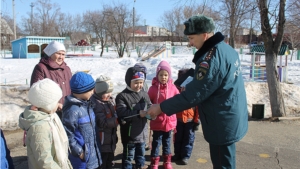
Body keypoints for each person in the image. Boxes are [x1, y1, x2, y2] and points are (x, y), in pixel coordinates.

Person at [146, 15, 248, 168]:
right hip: (231, 114)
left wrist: (160, 107)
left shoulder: (210, 59)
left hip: (220, 121)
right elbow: (216, 82)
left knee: (222, 163)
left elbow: (193, 96)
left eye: (192, 38)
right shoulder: (227, 49)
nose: (190, 43)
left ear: (205, 35)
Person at [19, 78, 72, 169]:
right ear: (48, 105)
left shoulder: (51, 118)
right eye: (56, 102)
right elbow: (45, 161)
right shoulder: (39, 128)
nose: (59, 104)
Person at [62, 72, 102, 169]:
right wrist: (79, 152)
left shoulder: (87, 105)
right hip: (81, 159)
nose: (93, 92)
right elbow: (68, 135)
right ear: (81, 91)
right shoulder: (72, 110)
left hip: (92, 154)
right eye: (90, 90)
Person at [115, 67, 151, 169]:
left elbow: (149, 106)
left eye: (141, 82)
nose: (139, 85)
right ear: (128, 81)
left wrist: (151, 113)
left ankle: (140, 166)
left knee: (141, 155)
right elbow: (122, 113)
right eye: (136, 82)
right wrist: (138, 113)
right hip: (129, 135)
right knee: (128, 157)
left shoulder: (144, 94)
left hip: (142, 134)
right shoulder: (122, 96)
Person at [147, 60, 179, 169]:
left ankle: (167, 161)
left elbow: (178, 100)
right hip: (157, 122)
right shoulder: (153, 89)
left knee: (167, 143)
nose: (163, 77)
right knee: (156, 143)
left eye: (166, 75)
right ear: (157, 75)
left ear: (169, 76)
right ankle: (154, 162)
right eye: (161, 75)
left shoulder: (173, 88)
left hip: (169, 123)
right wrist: (150, 109)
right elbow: (148, 102)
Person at [30, 40, 72, 118]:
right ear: (51, 53)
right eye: (58, 53)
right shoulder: (41, 68)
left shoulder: (67, 69)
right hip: (49, 112)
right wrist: (54, 104)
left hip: (67, 110)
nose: (61, 57)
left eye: (63, 54)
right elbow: (36, 91)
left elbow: (71, 88)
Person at [172, 69, 200, 165]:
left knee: (188, 139)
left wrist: (197, 121)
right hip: (178, 121)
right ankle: (177, 154)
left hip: (190, 120)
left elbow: (197, 108)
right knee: (178, 138)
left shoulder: (194, 92)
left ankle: (185, 156)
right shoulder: (176, 91)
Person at [90, 75, 118, 169]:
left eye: (110, 92)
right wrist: (116, 120)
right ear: (99, 91)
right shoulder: (96, 104)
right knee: (102, 164)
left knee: (110, 162)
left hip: (111, 141)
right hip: (102, 142)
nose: (109, 95)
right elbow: (102, 122)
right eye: (106, 93)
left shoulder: (111, 100)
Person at [133, 62, 151, 151]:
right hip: (136, 110)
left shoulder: (145, 85)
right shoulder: (133, 84)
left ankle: (145, 143)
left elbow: (147, 96)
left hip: (144, 109)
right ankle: (138, 144)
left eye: (143, 74)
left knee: (145, 128)